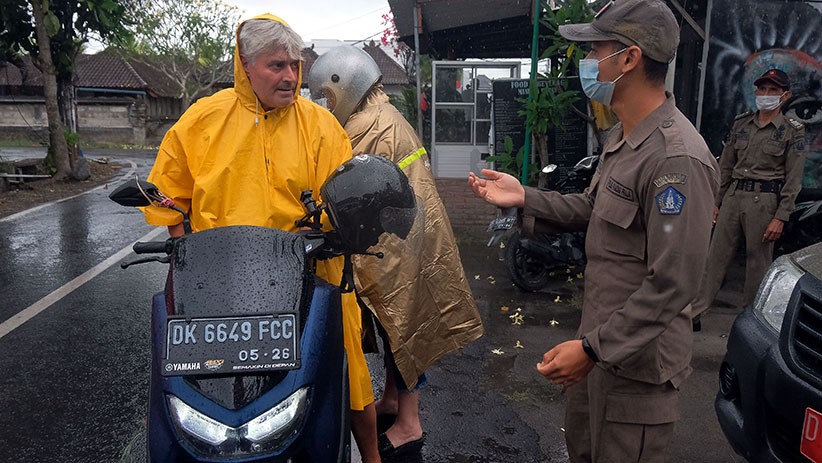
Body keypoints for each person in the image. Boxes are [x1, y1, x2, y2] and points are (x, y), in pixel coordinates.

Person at [468, 0, 719, 461]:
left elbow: (673, 283)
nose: (585, 62)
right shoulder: (624, 137)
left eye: (594, 49)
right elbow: (593, 208)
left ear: (629, 58)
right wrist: (524, 196)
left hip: (635, 372)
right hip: (598, 350)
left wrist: (592, 349)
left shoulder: (675, 158)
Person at [141, 15, 381, 463]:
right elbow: (167, 192)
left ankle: (371, 456)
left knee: (347, 369)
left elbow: (344, 195)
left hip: (306, 272)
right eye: (277, 66)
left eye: (295, 64)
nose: (290, 76)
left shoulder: (320, 126)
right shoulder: (203, 119)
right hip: (218, 282)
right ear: (246, 65)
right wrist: (180, 247)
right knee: (209, 383)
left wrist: (342, 224)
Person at [308, 46, 484, 458]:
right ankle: (392, 398)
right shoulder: (382, 112)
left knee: (404, 326)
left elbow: (331, 177)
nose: (323, 105)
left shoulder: (367, 125)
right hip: (405, 235)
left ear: (344, 86)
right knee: (395, 327)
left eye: (325, 96)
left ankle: (409, 423)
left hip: (395, 241)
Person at [692, 68, 806, 327]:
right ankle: (694, 313)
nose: (765, 95)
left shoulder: (791, 131)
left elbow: (793, 179)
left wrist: (781, 216)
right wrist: (716, 202)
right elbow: (726, 167)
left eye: (773, 90)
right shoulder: (742, 123)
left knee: (757, 264)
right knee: (714, 258)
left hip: (764, 202)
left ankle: (749, 322)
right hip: (734, 196)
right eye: (762, 89)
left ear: (785, 95)